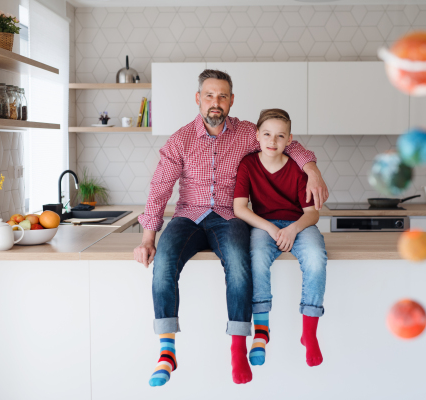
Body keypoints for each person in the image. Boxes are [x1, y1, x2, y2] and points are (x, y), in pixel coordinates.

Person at [133, 69, 329, 386]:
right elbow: (159, 188)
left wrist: (312, 169)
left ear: (231, 101)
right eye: (209, 95)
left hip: (229, 215)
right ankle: (167, 351)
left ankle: (238, 349)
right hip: (188, 216)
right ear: (198, 99)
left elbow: (284, 142)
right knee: (165, 260)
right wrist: (147, 238)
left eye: (222, 96)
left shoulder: (246, 132)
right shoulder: (180, 139)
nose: (216, 102)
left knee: (239, 263)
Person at [233, 109, 328, 368]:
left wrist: (293, 229)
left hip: (298, 225)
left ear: (289, 140)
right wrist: (272, 230)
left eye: (279, 136)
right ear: (257, 136)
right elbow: (240, 208)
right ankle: (262, 332)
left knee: (316, 258)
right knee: (258, 257)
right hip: (265, 226)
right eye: (266, 134)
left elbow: (312, 214)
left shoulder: (298, 168)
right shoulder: (248, 165)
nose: (272, 141)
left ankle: (309, 333)